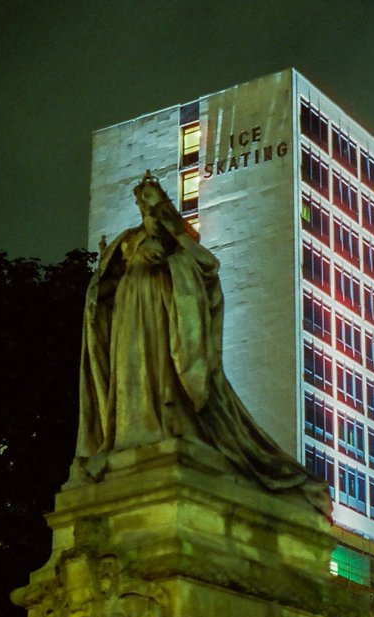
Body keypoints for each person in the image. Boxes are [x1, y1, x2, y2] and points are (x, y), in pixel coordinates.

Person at [71, 172, 328, 514]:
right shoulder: (126, 240)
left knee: (162, 371)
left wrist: (170, 260)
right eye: (141, 201)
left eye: (152, 200)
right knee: (132, 373)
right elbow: (102, 289)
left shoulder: (180, 244)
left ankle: (168, 425)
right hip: (129, 316)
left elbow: (207, 268)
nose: (145, 207)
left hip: (165, 313)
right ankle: (132, 435)